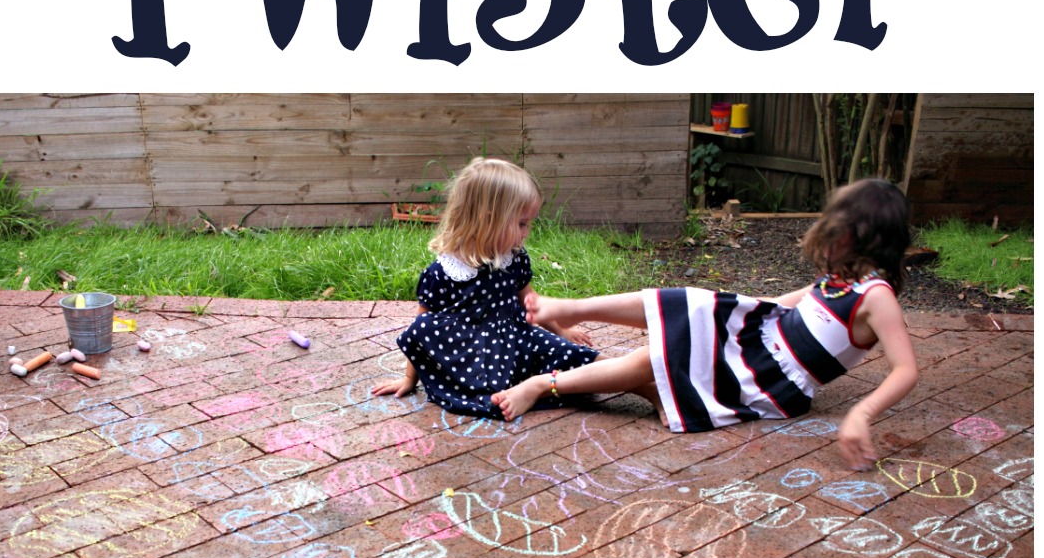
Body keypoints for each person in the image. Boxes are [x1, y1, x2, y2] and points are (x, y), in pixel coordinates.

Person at [491, 177, 919, 469]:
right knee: (690, 303)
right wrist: (725, 309)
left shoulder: (876, 297)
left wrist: (861, 414)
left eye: (836, 230)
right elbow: (787, 305)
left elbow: (906, 371)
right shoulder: (842, 278)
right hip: (759, 337)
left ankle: (543, 384)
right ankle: (572, 308)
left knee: (651, 359)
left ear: (861, 235)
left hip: (766, 378)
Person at [372, 156, 598, 417]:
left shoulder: (513, 258)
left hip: (516, 341)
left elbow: (532, 304)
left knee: (575, 355)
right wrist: (410, 379)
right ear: (489, 221)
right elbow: (422, 335)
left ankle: (638, 378)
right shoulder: (444, 272)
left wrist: (562, 331)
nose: (528, 231)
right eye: (522, 223)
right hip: (471, 358)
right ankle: (528, 388)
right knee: (489, 391)